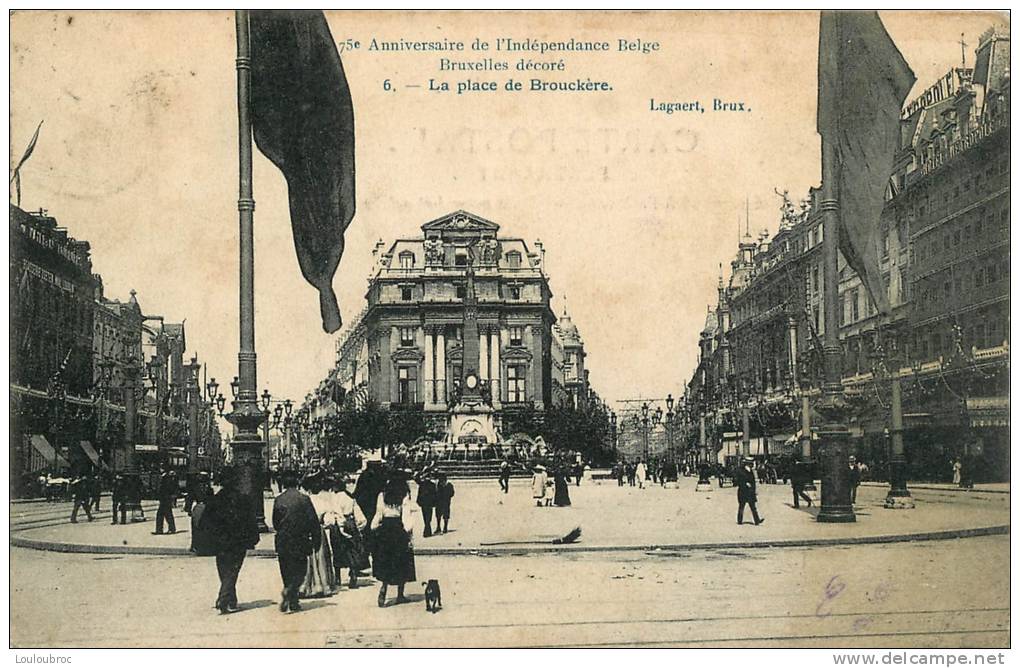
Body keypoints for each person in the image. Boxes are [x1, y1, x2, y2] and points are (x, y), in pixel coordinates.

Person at [202, 466, 259, 614]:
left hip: (220, 541)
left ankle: (231, 600)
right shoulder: (243, 499)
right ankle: (223, 598)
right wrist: (253, 539)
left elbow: (204, 521)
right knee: (233, 570)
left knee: (224, 570)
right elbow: (251, 521)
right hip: (238, 542)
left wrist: (211, 536)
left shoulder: (216, 499)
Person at [272, 470, 321, 613]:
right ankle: (291, 592)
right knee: (300, 570)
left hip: (283, 539)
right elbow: (313, 521)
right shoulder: (304, 499)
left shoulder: (279, 499)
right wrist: (316, 540)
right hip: (300, 539)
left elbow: (275, 522)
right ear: (297, 482)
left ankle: (292, 599)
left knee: (286, 569)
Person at [372, 475, 417, 607]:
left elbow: (378, 514)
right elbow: (406, 517)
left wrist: (374, 527)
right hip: (398, 530)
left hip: (385, 530)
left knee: (386, 560)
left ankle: (384, 588)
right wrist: (408, 533)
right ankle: (400, 594)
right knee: (401, 561)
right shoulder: (403, 495)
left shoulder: (382, 495)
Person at [300, 474, 338, 598]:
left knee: (306, 558)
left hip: (305, 531)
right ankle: (323, 585)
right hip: (319, 530)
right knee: (321, 557)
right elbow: (330, 521)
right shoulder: (323, 502)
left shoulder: (304, 501)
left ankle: (305, 586)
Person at [328, 477, 369, 589]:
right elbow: (359, 515)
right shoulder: (350, 498)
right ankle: (353, 576)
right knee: (352, 551)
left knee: (337, 551)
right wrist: (359, 527)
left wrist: (341, 527)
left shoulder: (335, 498)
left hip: (339, 525)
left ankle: (337, 578)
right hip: (351, 523)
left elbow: (337, 513)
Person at [736, 456, 764, 525]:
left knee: (753, 507)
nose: (752, 465)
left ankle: (757, 520)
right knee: (742, 506)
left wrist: (754, 491)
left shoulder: (751, 471)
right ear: (747, 464)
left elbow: (753, 482)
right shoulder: (740, 470)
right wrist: (745, 484)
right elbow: (738, 481)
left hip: (750, 492)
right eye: (751, 463)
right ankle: (739, 520)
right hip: (743, 491)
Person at [154, 465, 179, 535]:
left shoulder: (166, 477)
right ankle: (168, 529)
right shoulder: (165, 477)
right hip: (165, 498)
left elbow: (166, 488)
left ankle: (161, 530)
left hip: (165, 498)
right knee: (166, 514)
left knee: (163, 514)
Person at [416, 473, 438, 538]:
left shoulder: (422, 484)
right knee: (428, 517)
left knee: (425, 517)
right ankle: (427, 530)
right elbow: (435, 495)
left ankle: (427, 530)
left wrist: (418, 501)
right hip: (429, 503)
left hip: (425, 503)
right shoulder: (432, 485)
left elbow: (420, 493)